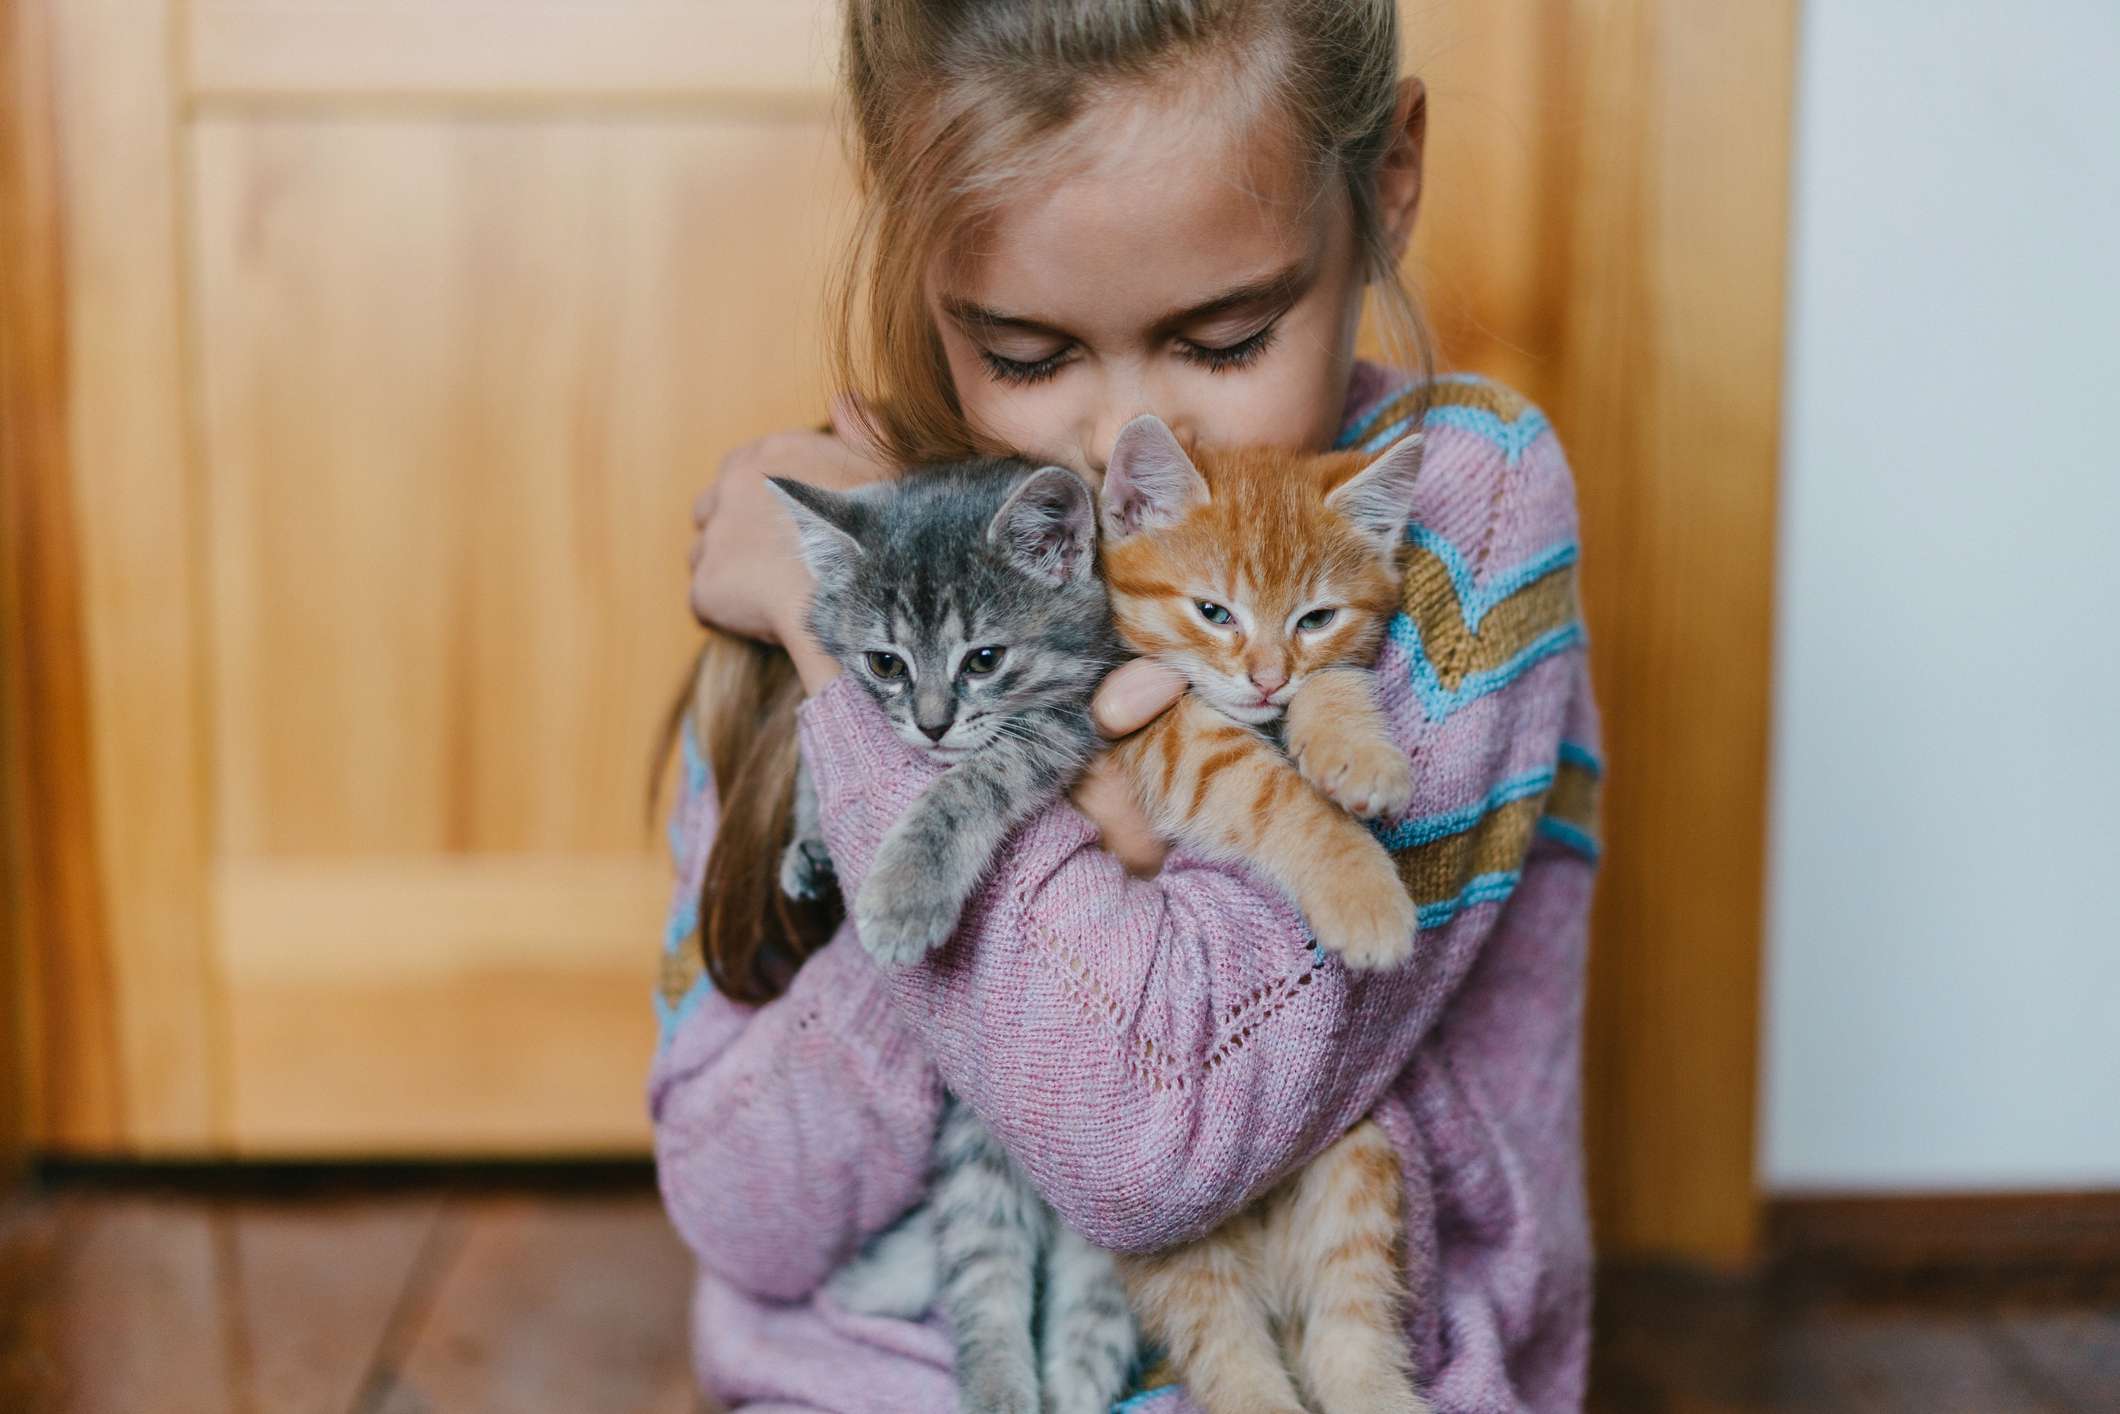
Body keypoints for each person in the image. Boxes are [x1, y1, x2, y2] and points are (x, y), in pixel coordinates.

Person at [659, 3, 1602, 1409]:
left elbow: (1140, 1133)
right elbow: (742, 1213)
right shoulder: (866, 566)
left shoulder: (1451, 522)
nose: (1120, 444)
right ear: (918, 245)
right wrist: (855, 664)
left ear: (1388, 180)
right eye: (1029, 357)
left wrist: (940, 758)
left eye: (1224, 340)